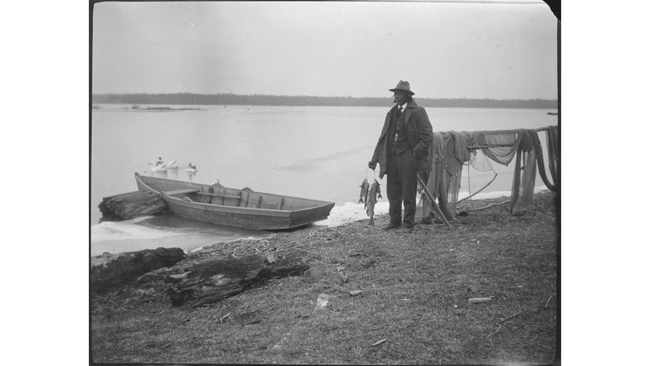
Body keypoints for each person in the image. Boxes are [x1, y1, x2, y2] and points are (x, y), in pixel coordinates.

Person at [368, 80, 434, 230]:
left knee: (408, 192)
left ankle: (408, 223)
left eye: (399, 94)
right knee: (393, 192)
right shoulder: (391, 113)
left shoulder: (418, 112)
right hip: (392, 158)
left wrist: (414, 154)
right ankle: (394, 221)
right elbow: (383, 138)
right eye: (395, 94)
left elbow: (427, 137)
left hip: (408, 158)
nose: (395, 96)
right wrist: (375, 158)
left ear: (407, 96)